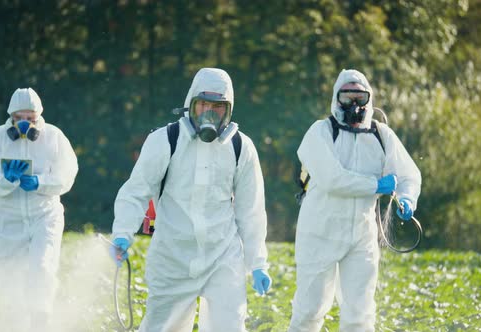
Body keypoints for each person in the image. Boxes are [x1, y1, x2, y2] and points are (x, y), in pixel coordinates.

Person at [110, 67, 272, 331]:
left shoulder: (240, 147)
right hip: (172, 257)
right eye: (203, 104)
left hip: (222, 257)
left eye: (218, 107)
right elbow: (136, 191)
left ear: (228, 110)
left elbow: (251, 210)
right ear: (190, 105)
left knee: (229, 326)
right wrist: (122, 233)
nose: (209, 112)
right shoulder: (165, 140)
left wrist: (258, 263)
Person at [288, 69, 421, 332]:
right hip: (319, 234)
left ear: (369, 99)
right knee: (309, 312)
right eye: (347, 97)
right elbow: (332, 179)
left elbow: (409, 174)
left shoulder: (381, 135)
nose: (354, 105)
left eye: (359, 98)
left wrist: (407, 198)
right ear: (336, 99)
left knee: (359, 315)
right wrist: (375, 185)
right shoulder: (320, 132)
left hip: (361, 236)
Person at [0, 87, 78, 331]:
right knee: (9, 276)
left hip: (44, 214)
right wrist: (6, 180)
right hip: (8, 218)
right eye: (19, 119)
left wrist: (41, 183)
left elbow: (67, 174)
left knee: (42, 267)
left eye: (30, 119)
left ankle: (40, 320)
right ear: (11, 117)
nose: (24, 124)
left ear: (38, 117)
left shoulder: (54, 137)